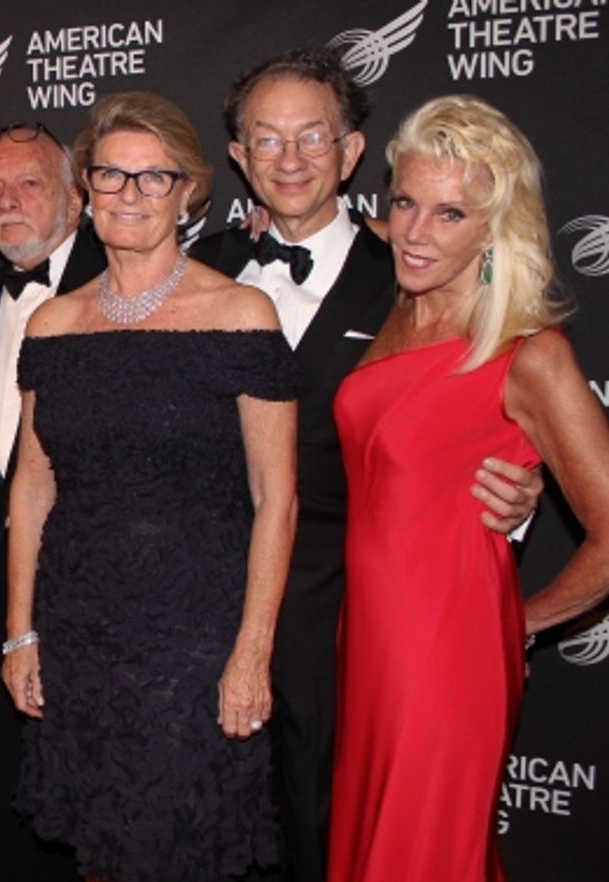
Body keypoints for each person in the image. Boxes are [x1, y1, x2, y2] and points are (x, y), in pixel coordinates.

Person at [188, 47, 542, 881]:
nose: (289, 159)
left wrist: (514, 497)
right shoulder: (196, 272)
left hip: (337, 618)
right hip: (194, 604)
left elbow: (487, 405)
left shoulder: (416, 274)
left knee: (323, 838)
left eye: (313, 137)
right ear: (238, 157)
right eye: (266, 139)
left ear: (351, 153)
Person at [1, 92, 297, 881]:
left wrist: (251, 652)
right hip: (79, 628)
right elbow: (31, 488)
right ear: (85, 189)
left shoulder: (241, 316)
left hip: (193, 639)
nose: (129, 195)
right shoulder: (53, 327)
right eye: (111, 176)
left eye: (153, 178)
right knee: (102, 846)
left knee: (176, 848)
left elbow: (276, 499)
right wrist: (21, 631)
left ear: (189, 193)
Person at [328, 94, 609, 882]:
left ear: (493, 226)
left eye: (450, 214)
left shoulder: (528, 353)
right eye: (406, 202)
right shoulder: (402, 299)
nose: (416, 232)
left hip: (444, 659)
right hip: (370, 643)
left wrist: (514, 621)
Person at [0, 120, 101, 882]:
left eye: (28, 184)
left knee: (93, 802)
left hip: (95, 590)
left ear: (77, 199)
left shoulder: (125, 289)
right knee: (6, 793)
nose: (6, 202)